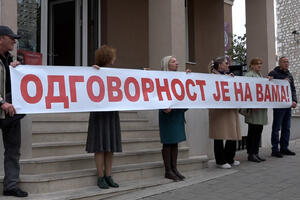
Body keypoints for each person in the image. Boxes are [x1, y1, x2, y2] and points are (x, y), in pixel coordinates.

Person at [86, 45, 122, 189]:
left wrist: (143, 73)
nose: (115, 58)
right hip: (99, 112)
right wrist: (92, 72)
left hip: (112, 111)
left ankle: (108, 175)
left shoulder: (115, 73)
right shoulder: (94, 71)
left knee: (110, 146)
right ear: (107, 57)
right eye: (113, 55)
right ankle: (100, 176)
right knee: (100, 146)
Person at [0, 25, 28, 197]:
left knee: (13, 149)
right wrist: (2, 102)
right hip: (4, 107)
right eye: (11, 38)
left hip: (11, 112)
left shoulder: (10, 59)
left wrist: (17, 69)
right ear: (1, 38)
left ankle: (10, 185)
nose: (14, 41)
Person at [159, 56, 189, 181]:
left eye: (176, 61)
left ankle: (174, 168)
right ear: (167, 64)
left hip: (177, 113)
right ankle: (168, 170)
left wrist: (187, 77)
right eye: (173, 61)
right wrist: (162, 106)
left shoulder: (179, 77)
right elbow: (157, 93)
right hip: (167, 113)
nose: (177, 63)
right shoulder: (160, 78)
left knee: (175, 142)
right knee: (168, 142)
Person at [208, 56, 241, 169]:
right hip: (218, 110)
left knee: (232, 133)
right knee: (219, 135)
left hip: (229, 109)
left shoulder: (227, 77)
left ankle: (229, 158)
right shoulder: (211, 77)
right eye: (226, 63)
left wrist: (230, 79)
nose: (228, 65)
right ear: (220, 65)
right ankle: (220, 160)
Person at [268, 56, 297, 158]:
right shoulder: (273, 73)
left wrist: (294, 100)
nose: (287, 63)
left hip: (287, 105)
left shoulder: (289, 75)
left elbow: (293, 89)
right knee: (276, 128)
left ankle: (284, 148)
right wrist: (281, 79)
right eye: (284, 62)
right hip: (278, 106)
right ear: (279, 63)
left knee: (286, 128)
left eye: (288, 62)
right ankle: (275, 149)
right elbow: (268, 83)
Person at [242, 58, 268, 162]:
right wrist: (251, 104)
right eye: (257, 64)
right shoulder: (248, 75)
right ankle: (251, 153)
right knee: (252, 131)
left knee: (258, 130)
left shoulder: (260, 76)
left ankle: (256, 152)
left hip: (260, 108)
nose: (259, 66)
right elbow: (248, 90)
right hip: (253, 108)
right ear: (251, 65)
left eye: (260, 64)